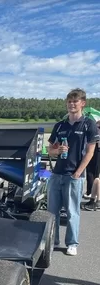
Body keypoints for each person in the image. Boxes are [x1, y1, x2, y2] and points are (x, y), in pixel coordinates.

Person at [47, 88, 99, 256]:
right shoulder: (60, 125)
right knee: (52, 212)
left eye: (75, 101)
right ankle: (52, 241)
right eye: (69, 101)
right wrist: (56, 151)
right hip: (57, 174)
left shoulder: (88, 124)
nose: (71, 104)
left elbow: (90, 152)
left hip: (74, 175)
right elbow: (50, 149)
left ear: (82, 103)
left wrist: (78, 173)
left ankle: (72, 243)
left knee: (72, 212)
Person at [83, 120, 100, 211]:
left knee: (95, 175)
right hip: (94, 148)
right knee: (92, 173)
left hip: (97, 149)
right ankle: (93, 198)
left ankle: (96, 199)